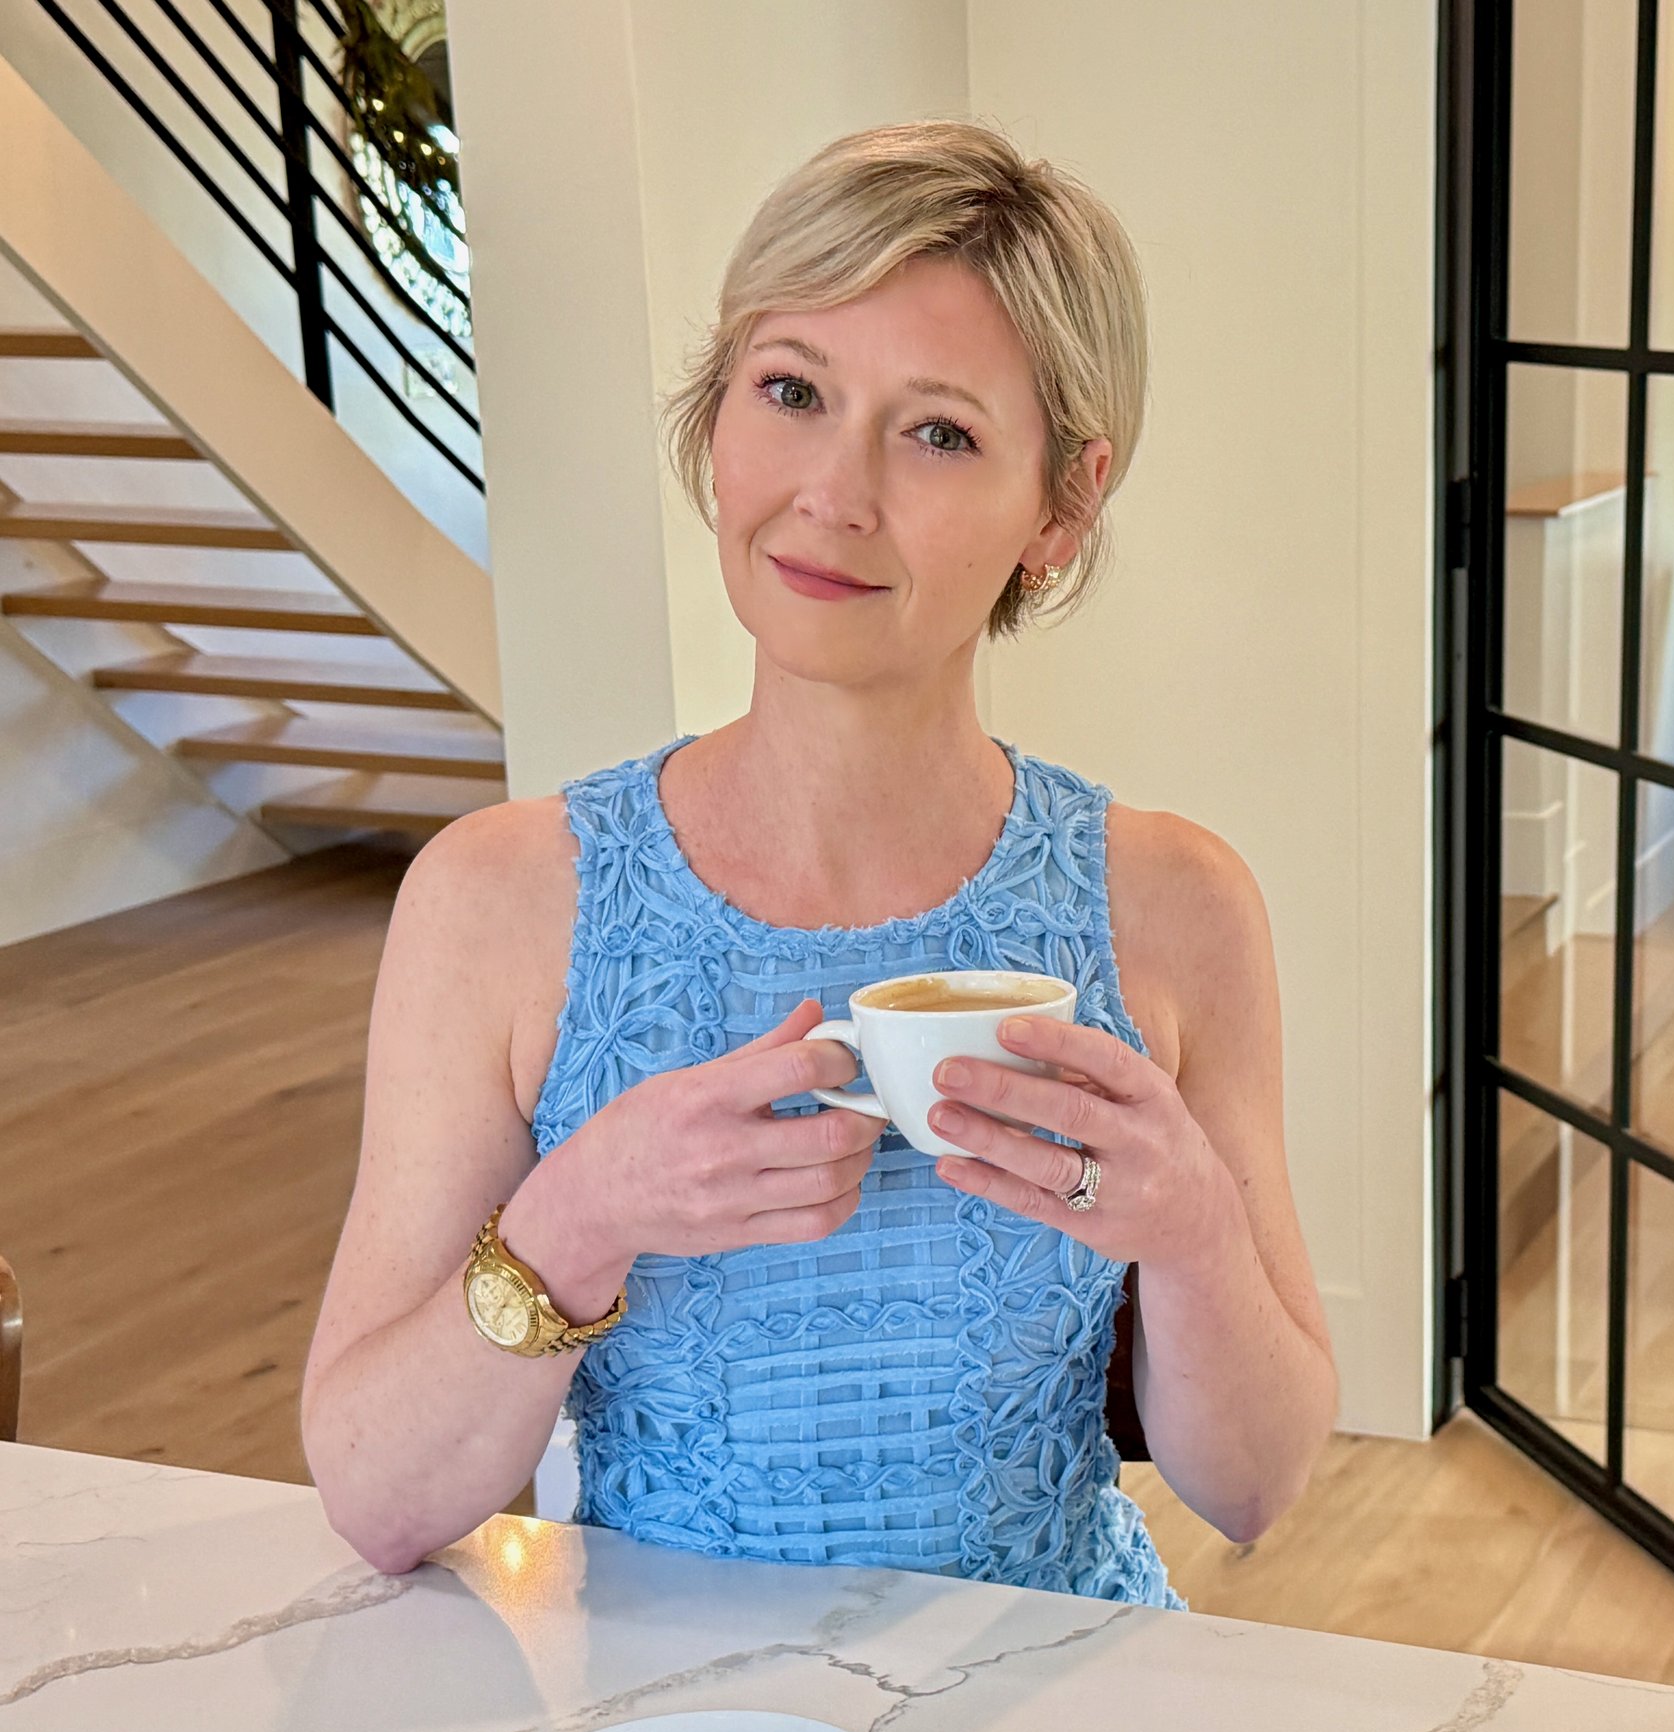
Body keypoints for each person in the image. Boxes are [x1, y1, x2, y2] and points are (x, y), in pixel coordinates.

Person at [299, 119, 1338, 1607]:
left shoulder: (1174, 907)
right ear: (717, 417)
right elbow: (377, 1495)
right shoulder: (496, 901)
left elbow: (1259, 1484)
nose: (831, 494)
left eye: (938, 432)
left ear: (1065, 502)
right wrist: (578, 1215)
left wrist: (1187, 1226)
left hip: (1059, 1703)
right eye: (791, 392)